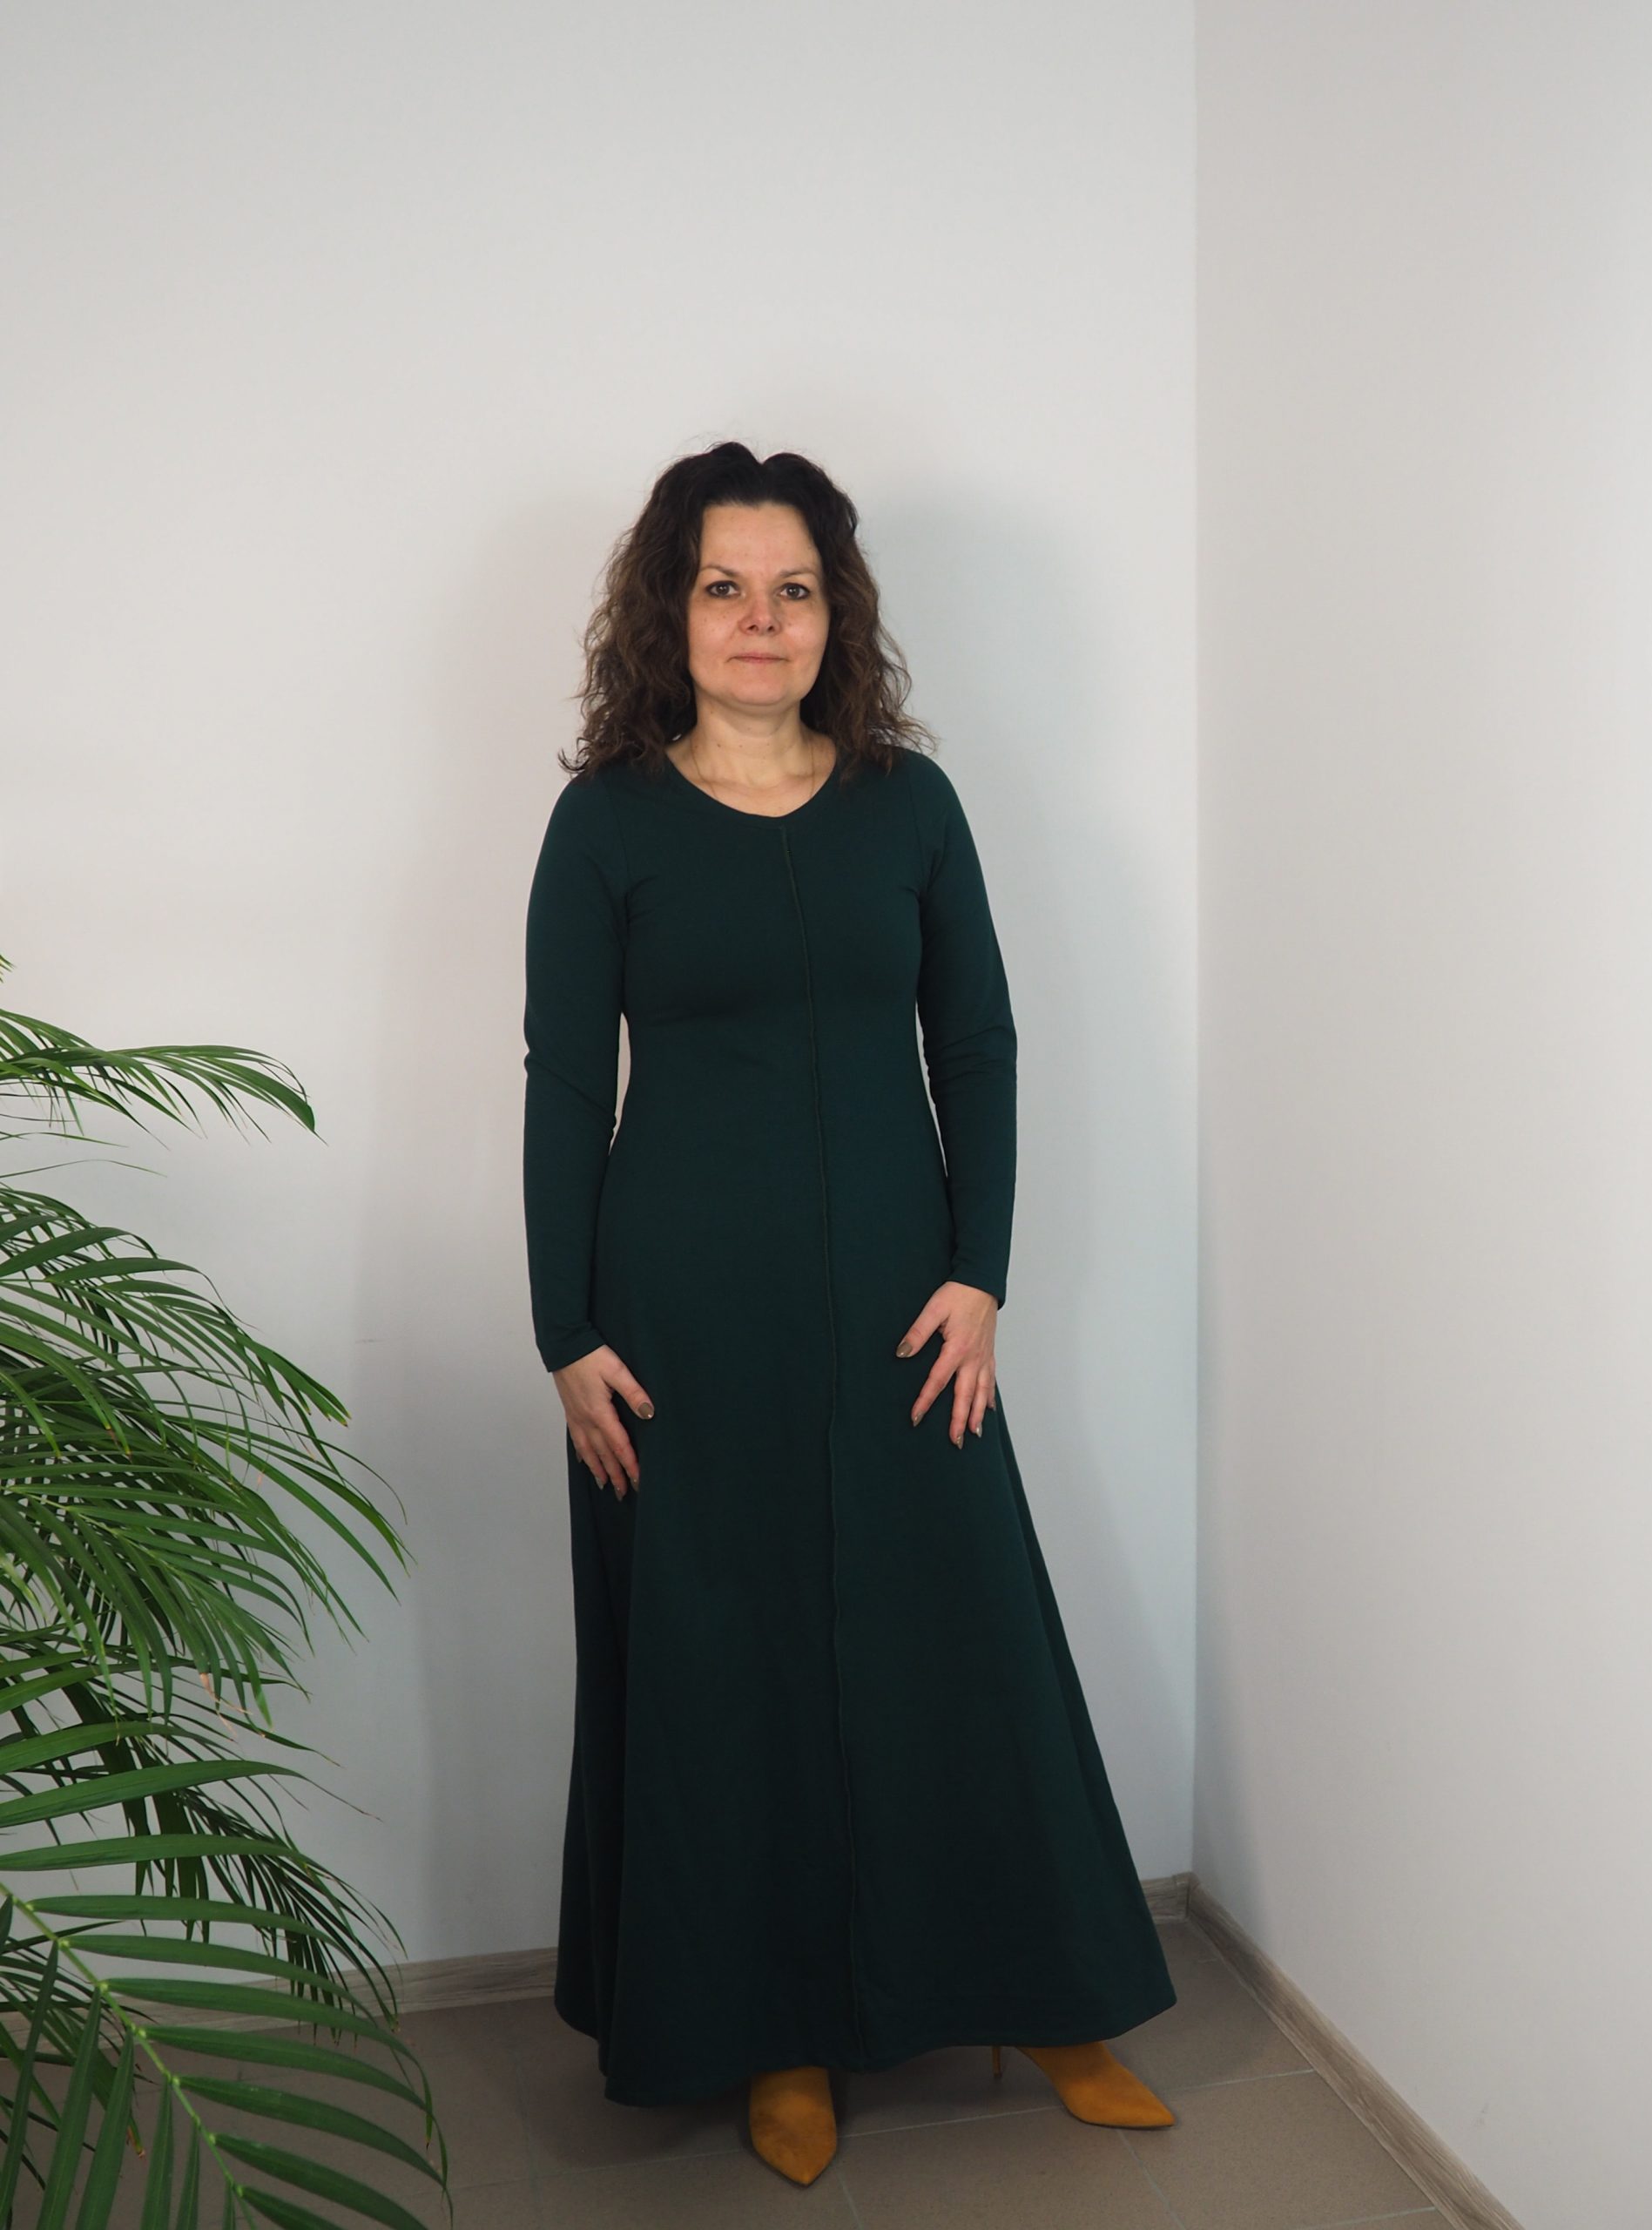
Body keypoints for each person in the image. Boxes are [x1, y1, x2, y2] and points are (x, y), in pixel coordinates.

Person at [522, 441, 1178, 2186]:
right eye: (725, 585)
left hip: (906, 1306)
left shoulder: (912, 807)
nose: (761, 618)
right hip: (679, 1323)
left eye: (794, 587)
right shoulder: (607, 823)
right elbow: (563, 1083)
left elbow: (980, 1045)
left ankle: (1043, 1994)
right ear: (672, 611)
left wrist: (982, 1273)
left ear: (838, 613)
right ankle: (777, 2031)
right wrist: (563, 1328)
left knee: (959, 1641)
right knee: (729, 1672)